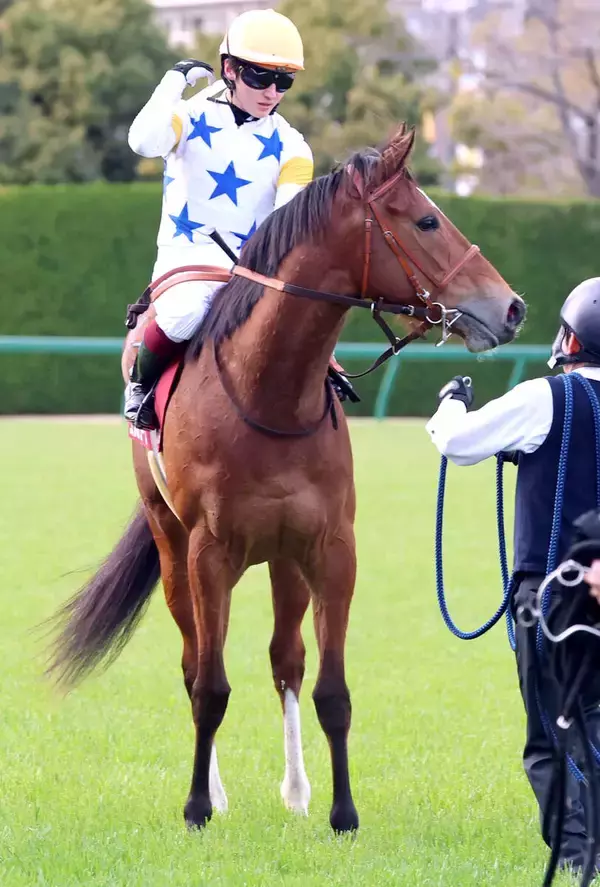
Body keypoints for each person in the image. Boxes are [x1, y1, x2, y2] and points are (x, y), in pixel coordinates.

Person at [426, 277, 600, 874]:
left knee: (550, 737)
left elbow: (457, 443)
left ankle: (578, 858)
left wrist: (452, 400)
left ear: (571, 339)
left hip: (553, 595)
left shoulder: (546, 398)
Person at [124, 8, 357, 429]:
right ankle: (141, 385)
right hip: (187, 258)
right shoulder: (188, 116)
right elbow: (142, 142)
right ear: (229, 69)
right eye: (259, 77)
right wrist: (173, 82)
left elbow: (288, 225)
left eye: (283, 81)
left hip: (251, 270)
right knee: (184, 315)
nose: (272, 92)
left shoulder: (293, 147)